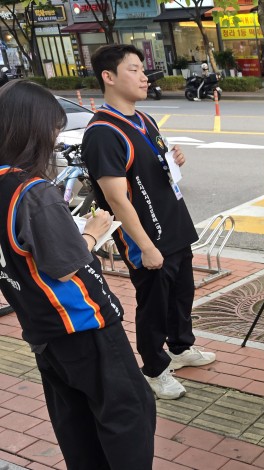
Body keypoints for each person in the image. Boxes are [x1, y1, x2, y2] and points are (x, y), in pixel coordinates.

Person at [0, 80, 156, 469]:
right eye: (52, 131)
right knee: (129, 414)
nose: (54, 141)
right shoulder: (32, 192)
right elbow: (66, 263)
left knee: (76, 423)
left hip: (41, 329)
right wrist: (93, 232)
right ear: (32, 131)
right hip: (82, 324)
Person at [82, 44, 215, 400]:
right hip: (147, 237)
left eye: (143, 70)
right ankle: (155, 369)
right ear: (109, 77)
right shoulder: (103, 133)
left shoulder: (144, 120)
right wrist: (145, 246)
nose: (144, 77)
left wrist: (174, 160)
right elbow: (116, 198)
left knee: (182, 294)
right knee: (154, 305)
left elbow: (151, 168)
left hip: (174, 225)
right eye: (134, 69)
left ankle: (181, 348)